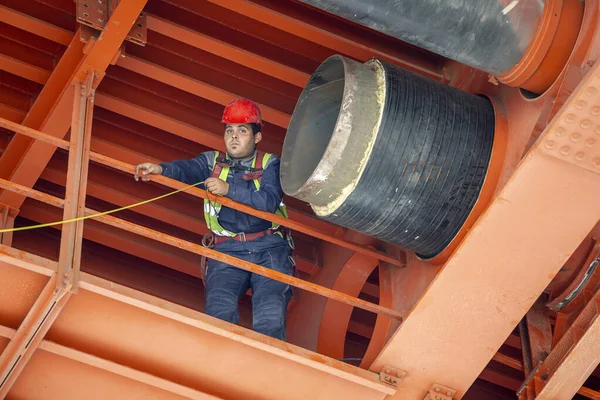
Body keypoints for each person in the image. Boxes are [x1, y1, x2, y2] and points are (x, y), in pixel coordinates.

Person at [134, 98, 293, 341]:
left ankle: (266, 375)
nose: (234, 137)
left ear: (257, 137)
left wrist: (228, 189)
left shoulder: (271, 163)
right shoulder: (211, 162)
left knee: (269, 318)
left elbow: (268, 202)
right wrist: (161, 169)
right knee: (218, 315)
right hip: (226, 250)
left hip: (269, 248)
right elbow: (187, 169)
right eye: (229, 130)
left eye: (242, 131)